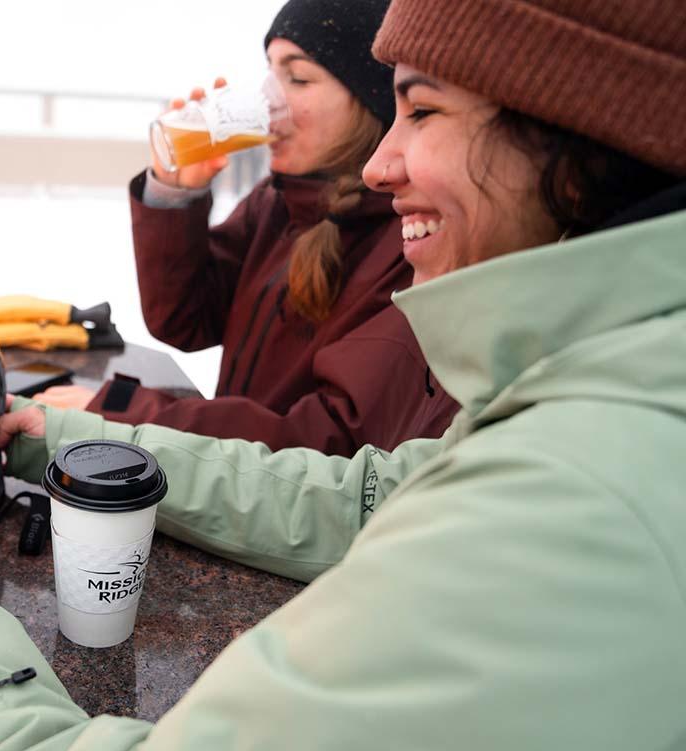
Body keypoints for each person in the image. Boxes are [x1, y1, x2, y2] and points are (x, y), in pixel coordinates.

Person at [0, 0, 686, 751]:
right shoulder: (600, 401)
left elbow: (332, 445)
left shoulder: (573, 506)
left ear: (577, 141)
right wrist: (64, 437)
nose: (386, 163)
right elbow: (357, 499)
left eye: (422, 106)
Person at [35, 0, 458, 456]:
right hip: (232, 482)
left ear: (369, 99)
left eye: (297, 78)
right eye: (270, 76)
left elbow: (326, 441)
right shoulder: (279, 200)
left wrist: (122, 411)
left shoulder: (414, 239)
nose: (269, 102)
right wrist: (176, 196)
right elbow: (187, 319)